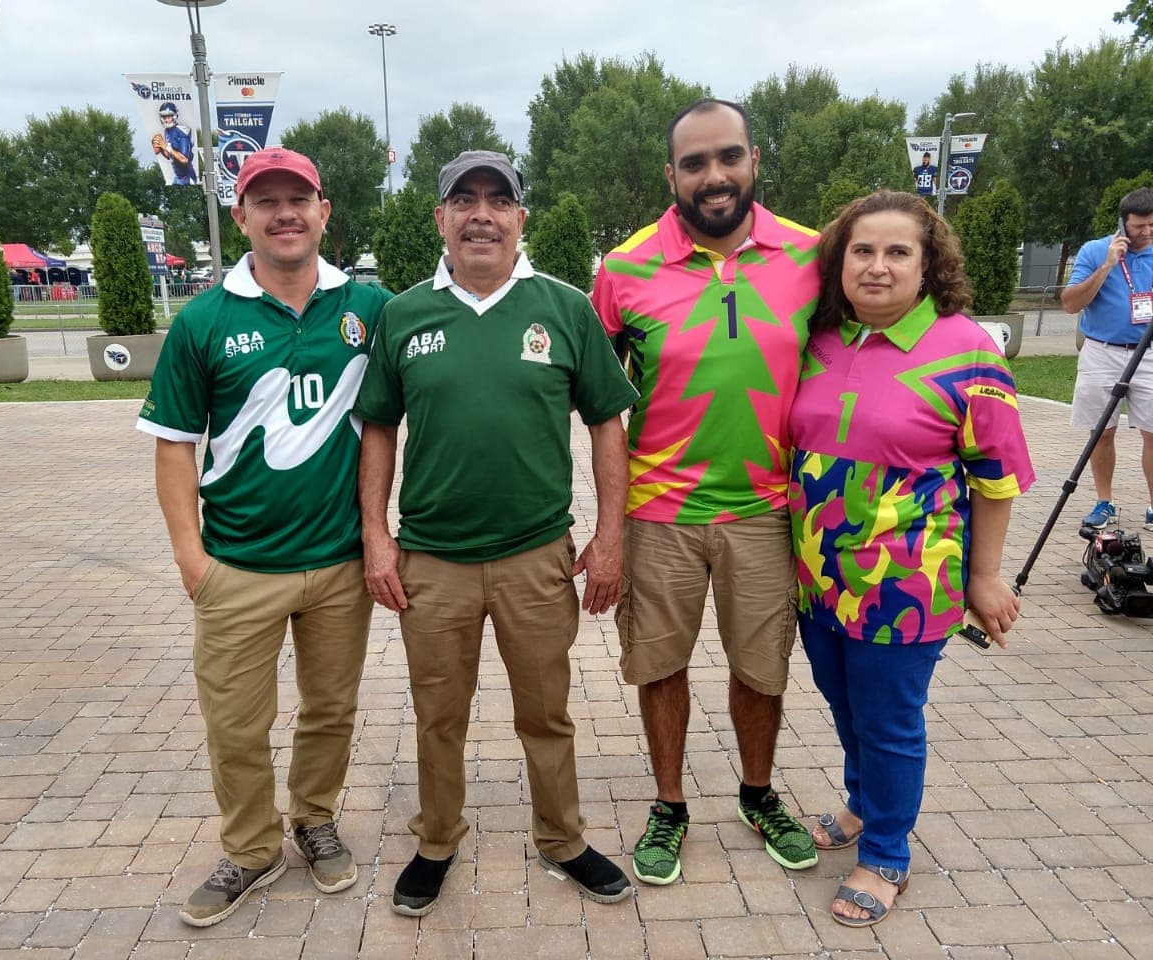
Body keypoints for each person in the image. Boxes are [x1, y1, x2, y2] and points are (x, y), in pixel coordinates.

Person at [355, 150, 638, 917]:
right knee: (437, 713)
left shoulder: (566, 308)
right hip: (432, 562)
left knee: (545, 711)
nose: (481, 214)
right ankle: (437, 839)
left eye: (498, 200)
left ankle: (563, 838)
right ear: (441, 218)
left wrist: (611, 538)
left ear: (520, 218)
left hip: (535, 558)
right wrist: (376, 538)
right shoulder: (403, 314)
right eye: (464, 200)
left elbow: (609, 424)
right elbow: (377, 429)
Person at [136, 147, 392, 927]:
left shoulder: (372, 309)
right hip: (238, 570)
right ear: (241, 217)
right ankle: (249, 849)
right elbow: (174, 442)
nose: (284, 213)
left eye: (299, 199)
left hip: (341, 564)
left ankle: (314, 820)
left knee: (329, 710)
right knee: (235, 723)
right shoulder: (205, 320)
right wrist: (192, 561)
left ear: (324, 213)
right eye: (266, 201)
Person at [591, 98, 821, 885]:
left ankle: (757, 794)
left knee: (762, 668)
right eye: (695, 163)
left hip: (767, 508)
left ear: (755, 160)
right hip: (659, 512)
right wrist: (606, 527)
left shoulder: (812, 257)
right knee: (661, 664)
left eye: (729, 156)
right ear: (672, 175)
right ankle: (669, 804)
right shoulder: (622, 271)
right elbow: (600, 411)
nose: (714, 176)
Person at [790, 190, 1034, 927]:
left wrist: (985, 578)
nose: (877, 266)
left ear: (928, 266)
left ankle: (887, 854)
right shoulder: (822, 338)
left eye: (898, 252)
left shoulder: (966, 352)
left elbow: (996, 481)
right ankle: (865, 805)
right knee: (842, 702)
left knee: (890, 719)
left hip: (905, 583)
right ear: (840, 262)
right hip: (819, 577)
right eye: (862, 250)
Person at [1062, 186, 1153, 530]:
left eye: (1152, 225)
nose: (1146, 233)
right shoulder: (1096, 251)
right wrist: (1107, 265)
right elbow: (1070, 303)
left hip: (1148, 353)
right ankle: (1104, 502)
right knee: (1102, 431)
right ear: (1122, 224)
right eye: (1138, 226)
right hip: (1102, 351)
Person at [152, 101, 198, 185]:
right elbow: (170, 156)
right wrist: (161, 148)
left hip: (187, 177)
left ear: (175, 116)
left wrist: (166, 147)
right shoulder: (167, 131)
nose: (167, 119)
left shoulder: (182, 131)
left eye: (169, 116)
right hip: (178, 177)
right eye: (164, 117)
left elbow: (184, 159)